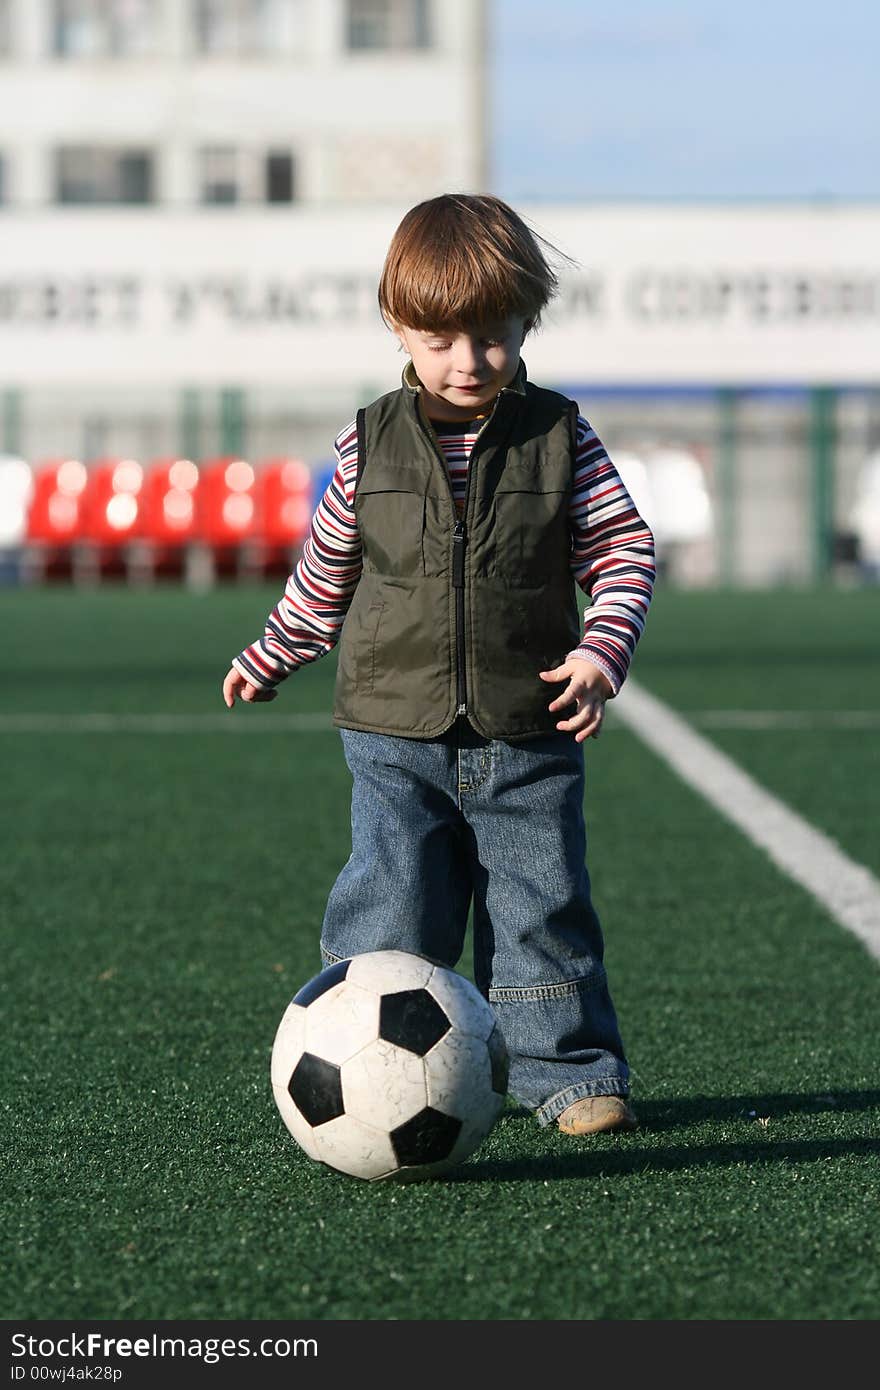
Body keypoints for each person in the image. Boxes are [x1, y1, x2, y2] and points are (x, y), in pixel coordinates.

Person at [222, 194, 655, 1137]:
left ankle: (568, 1075)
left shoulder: (561, 437)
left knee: (541, 908)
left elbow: (623, 550)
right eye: (440, 337)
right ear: (398, 327)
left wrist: (599, 651)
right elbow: (329, 571)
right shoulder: (365, 441)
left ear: (525, 322)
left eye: (492, 336)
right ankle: (363, 1091)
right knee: (391, 908)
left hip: (528, 727)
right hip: (391, 731)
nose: (468, 360)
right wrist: (276, 650)